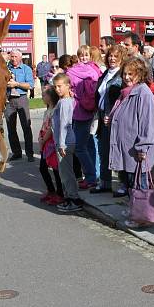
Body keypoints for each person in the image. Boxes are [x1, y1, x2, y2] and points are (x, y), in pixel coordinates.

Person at [108, 57, 154, 228]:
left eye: (131, 74)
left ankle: (142, 217)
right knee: (132, 183)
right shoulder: (126, 91)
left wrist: (143, 147)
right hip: (127, 148)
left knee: (140, 184)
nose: (127, 77)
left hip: (137, 150)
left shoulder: (143, 93)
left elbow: (148, 123)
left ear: (140, 74)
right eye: (124, 74)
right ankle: (134, 209)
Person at [93, 44, 128, 195]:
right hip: (102, 116)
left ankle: (124, 184)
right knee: (103, 150)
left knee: (118, 151)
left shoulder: (123, 75)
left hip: (115, 117)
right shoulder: (105, 73)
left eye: (115, 56)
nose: (112, 59)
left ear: (121, 58)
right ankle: (105, 183)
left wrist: (113, 114)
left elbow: (124, 97)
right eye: (110, 56)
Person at [65, 46, 101, 189]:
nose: (84, 58)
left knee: (79, 147)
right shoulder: (95, 70)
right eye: (82, 55)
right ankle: (95, 174)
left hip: (79, 111)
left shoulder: (73, 71)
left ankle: (91, 176)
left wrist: (74, 94)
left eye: (86, 55)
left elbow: (67, 84)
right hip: (91, 110)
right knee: (89, 143)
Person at [51, 73, 82, 213]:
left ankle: (73, 199)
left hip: (65, 142)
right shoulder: (65, 101)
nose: (57, 89)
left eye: (60, 86)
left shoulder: (64, 102)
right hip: (65, 141)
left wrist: (62, 144)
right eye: (55, 87)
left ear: (67, 86)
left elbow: (65, 124)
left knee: (66, 173)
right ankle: (70, 197)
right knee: (66, 172)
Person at [4, 49, 34, 162]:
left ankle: (29, 153)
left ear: (20, 57)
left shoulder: (26, 69)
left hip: (21, 99)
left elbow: (30, 85)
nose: (13, 59)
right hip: (9, 100)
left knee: (26, 126)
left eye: (16, 56)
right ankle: (16, 152)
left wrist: (16, 84)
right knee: (11, 129)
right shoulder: (6, 68)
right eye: (12, 56)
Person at [38, 86, 64, 206]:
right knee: (43, 167)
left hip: (51, 141)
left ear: (50, 96)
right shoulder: (47, 110)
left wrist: (44, 140)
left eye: (44, 95)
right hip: (44, 139)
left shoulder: (55, 110)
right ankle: (51, 190)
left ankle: (60, 194)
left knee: (55, 169)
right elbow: (44, 125)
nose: (42, 97)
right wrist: (40, 138)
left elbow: (52, 129)